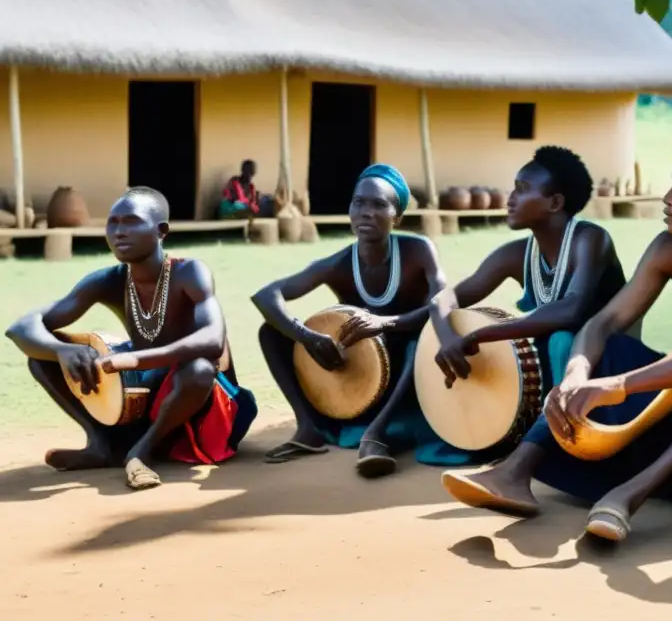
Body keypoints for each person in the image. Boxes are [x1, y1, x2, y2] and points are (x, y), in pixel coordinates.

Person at [443, 135, 672, 542]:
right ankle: (514, 473)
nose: (667, 198)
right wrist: (577, 377)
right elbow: (603, 323)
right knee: (609, 350)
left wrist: (620, 386)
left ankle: (626, 497)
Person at [4, 187, 258, 491]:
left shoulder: (190, 273)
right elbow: (21, 328)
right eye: (113, 223)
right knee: (41, 357)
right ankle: (102, 444)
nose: (119, 232)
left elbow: (213, 340)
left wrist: (134, 359)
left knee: (199, 368)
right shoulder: (108, 281)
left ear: (161, 231)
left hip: (205, 407)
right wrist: (60, 350)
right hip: (145, 398)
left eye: (131, 222)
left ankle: (142, 450)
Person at [252, 163, 462, 477]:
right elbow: (266, 295)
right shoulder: (337, 263)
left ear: (397, 216)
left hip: (411, 371)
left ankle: (376, 436)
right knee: (270, 333)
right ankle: (308, 427)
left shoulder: (419, 250)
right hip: (360, 372)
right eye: (359, 202)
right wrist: (306, 336)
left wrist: (386, 323)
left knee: (419, 342)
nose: (366, 211)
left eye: (379, 204)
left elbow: (441, 302)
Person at [431, 146, 628, 474]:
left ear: (555, 203)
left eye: (521, 190)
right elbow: (444, 299)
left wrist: (483, 334)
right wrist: (448, 337)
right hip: (557, 361)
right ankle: (500, 435)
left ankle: (561, 447)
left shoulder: (590, 239)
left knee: (559, 340)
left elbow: (572, 310)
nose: (510, 198)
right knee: (515, 346)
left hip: (604, 361)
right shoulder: (518, 254)